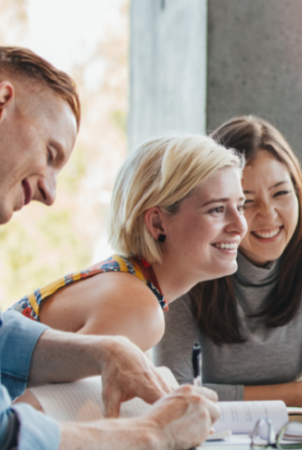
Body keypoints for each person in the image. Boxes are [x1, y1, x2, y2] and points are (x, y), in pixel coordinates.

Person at [0, 45, 219, 449]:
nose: (50, 193)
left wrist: (105, 350)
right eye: (218, 209)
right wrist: (150, 434)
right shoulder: (138, 306)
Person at [155, 115, 302, 405]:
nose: (268, 214)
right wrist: (299, 391)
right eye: (246, 202)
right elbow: (173, 393)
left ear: (299, 192)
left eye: (281, 193)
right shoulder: (188, 263)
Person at [8, 133, 248, 352]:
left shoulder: (127, 282)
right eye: (217, 209)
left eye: (240, 207)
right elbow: (39, 399)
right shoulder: (137, 309)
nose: (240, 226)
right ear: (157, 223)